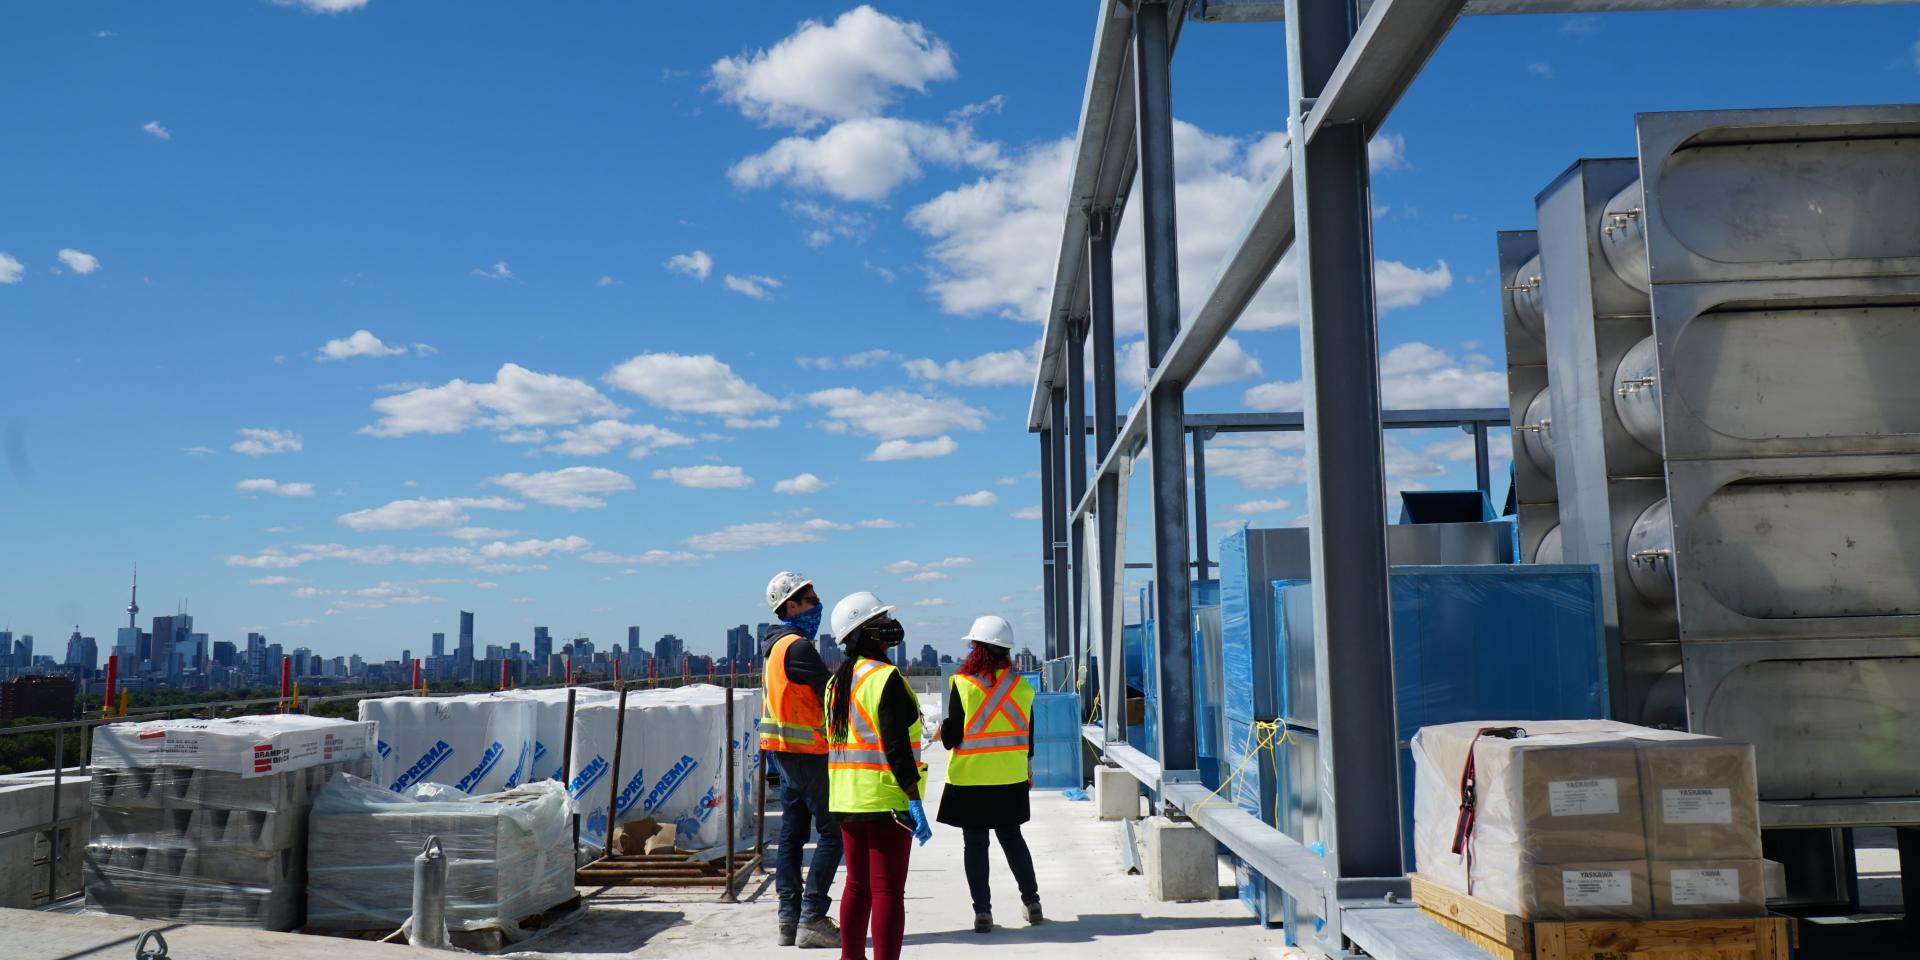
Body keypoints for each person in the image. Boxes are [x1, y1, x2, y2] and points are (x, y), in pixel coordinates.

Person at [824, 591, 930, 960]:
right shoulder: (885, 678)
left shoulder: (836, 683)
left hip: (846, 798)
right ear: (863, 633)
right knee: (886, 891)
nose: (889, 627)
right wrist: (913, 798)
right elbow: (896, 747)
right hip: (886, 798)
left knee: (856, 885)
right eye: (880, 621)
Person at [937, 615, 1042, 933]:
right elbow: (1028, 733)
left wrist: (942, 730)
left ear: (976, 649)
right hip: (1009, 778)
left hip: (971, 779)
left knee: (976, 844)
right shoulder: (1021, 686)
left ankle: (983, 912)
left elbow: (952, 736)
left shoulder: (963, 684)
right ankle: (1032, 902)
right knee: (1012, 838)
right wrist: (1027, 767)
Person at [759, 571, 841, 948]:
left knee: (792, 835)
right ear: (790, 606)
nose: (817, 605)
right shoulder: (798, 647)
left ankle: (788, 918)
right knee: (833, 833)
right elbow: (832, 693)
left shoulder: (774, 648)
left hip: (784, 756)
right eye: (810, 599)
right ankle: (812, 916)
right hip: (809, 754)